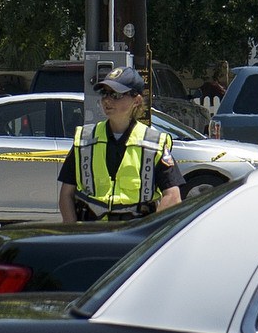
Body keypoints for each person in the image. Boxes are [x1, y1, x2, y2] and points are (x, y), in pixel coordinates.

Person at [64, 62, 183, 224]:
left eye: (116, 95)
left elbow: (173, 196)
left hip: (135, 237)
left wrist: (149, 232)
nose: (107, 100)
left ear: (137, 100)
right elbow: (66, 194)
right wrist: (73, 233)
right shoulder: (85, 139)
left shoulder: (154, 143)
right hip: (92, 235)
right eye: (105, 93)